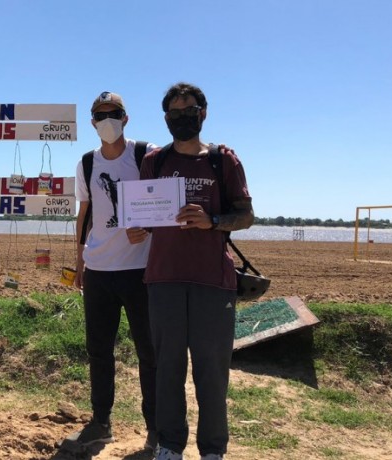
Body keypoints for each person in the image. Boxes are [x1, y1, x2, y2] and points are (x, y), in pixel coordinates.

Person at [129, 82, 254, 460]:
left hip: (212, 282)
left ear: (203, 113)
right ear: (165, 117)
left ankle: (213, 449)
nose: (182, 118)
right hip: (163, 279)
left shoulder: (223, 160)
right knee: (166, 368)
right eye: (174, 113)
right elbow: (146, 214)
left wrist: (212, 220)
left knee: (211, 373)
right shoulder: (155, 161)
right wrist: (138, 227)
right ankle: (169, 446)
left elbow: (246, 215)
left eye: (189, 111)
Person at [65, 91, 159, 453]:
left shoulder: (146, 155)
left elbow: (164, 201)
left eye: (114, 113)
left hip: (140, 270)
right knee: (98, 351)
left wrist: (148, 229)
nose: (107, 120)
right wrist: (80, 261)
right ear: (92, 122)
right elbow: (85, 212)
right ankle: (100, 423)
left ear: (126, 117)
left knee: (149, 353)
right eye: (101, 115)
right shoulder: (87, 163)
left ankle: (154, 428)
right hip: (100, 271)